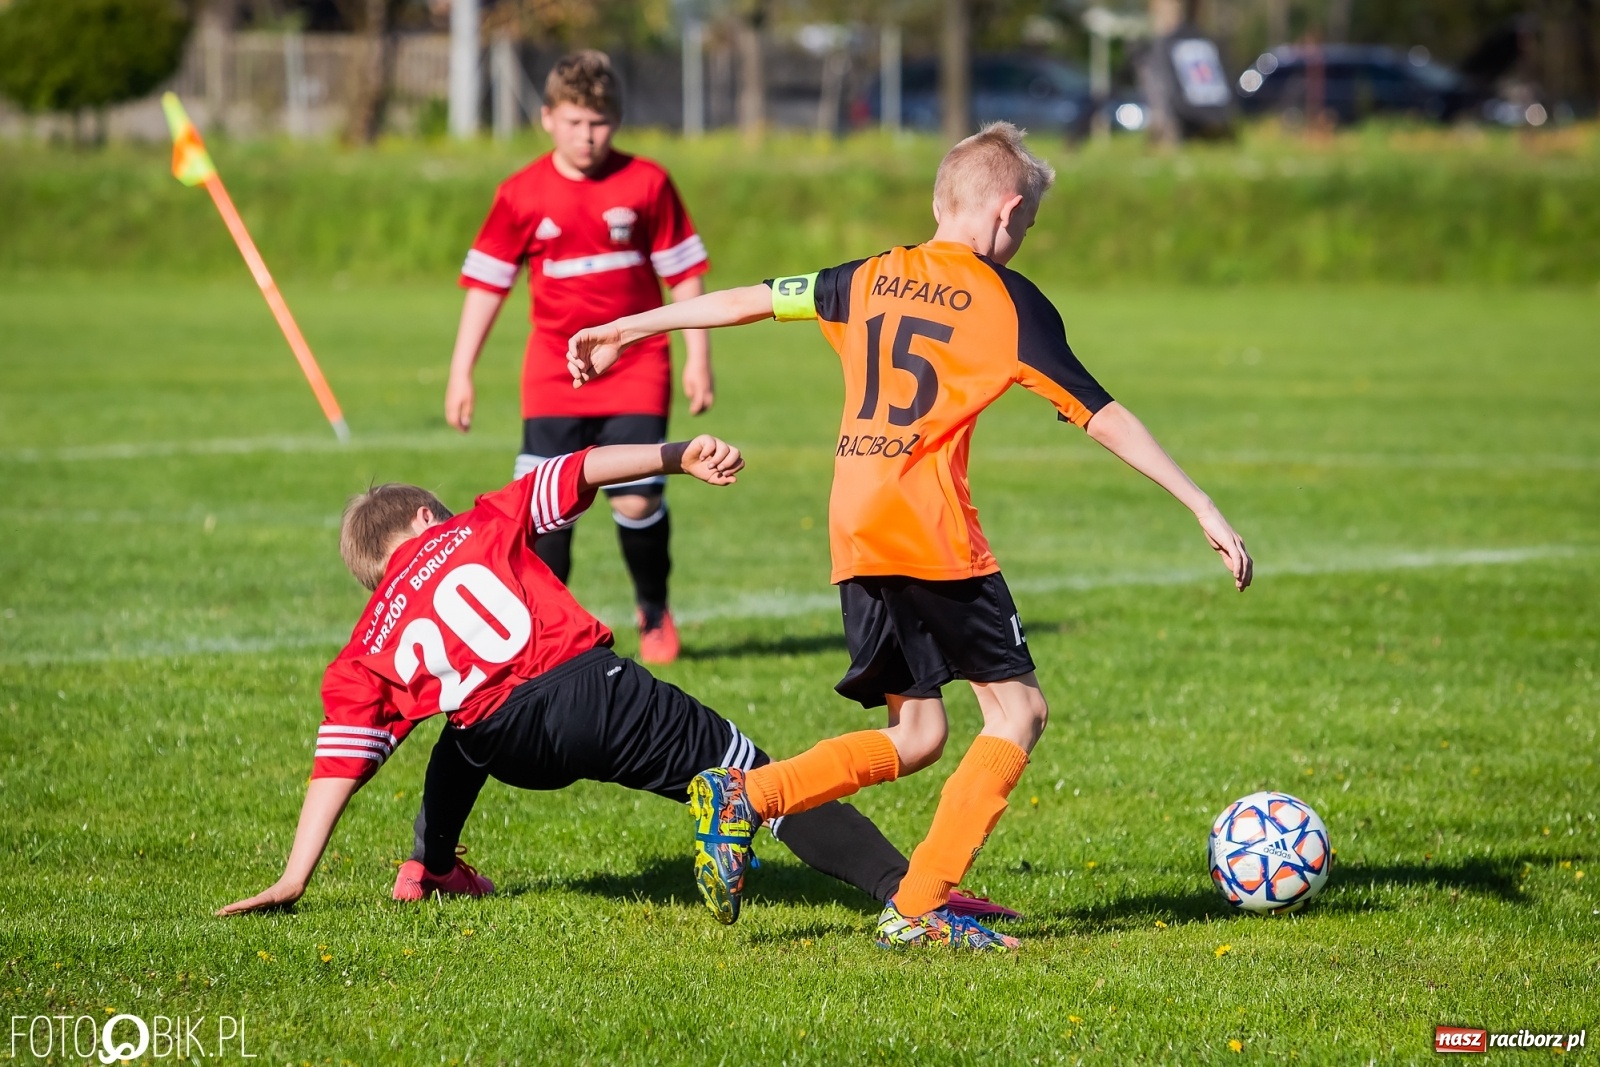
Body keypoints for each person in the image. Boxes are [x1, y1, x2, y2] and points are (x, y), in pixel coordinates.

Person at [566, 122, 1254, 951]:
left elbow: (748, 297)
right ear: (1005, 212)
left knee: (920, 733)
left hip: (855, 522)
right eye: (1026, 226)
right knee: (1019, 711)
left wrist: (628, 327)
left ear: (938, 202)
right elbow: (1101, 414)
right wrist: (1201, 503)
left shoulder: (866, 276)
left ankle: (747, 795)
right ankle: (920, 903)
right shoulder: (1008, 301)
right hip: (927, 528)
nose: (1021, 241)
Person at [215, 436, 1012, 922]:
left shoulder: (367, 641)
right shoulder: (474, 522)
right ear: (427, 520)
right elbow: (582, 468)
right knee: (752, 776)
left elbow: (340, 763)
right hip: (593, 692)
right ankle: (906, 890)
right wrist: (675, 458)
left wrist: (294, 875)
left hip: (511, 741)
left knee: (457, 738)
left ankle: (428, 868)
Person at [446, 49, 711, 666]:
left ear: (614, 121)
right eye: (573, 122)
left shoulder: (647, 183)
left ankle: (652, 609)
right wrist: (462, 371)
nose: (586, 135)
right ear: (547, 119)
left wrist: (699, 357)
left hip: (637, 365)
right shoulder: (520, 194)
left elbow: (684, 275)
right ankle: (554, 633)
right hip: (553, 370)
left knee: (637, 497)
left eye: (598, 123)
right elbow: (488, 286)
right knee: (546, 506)